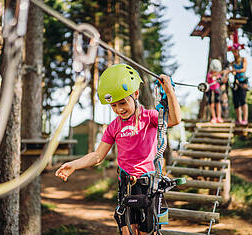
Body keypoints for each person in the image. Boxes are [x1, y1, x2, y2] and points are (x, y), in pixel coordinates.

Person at [55, 64, 181, 235]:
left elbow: (174, 119)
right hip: (127, 186)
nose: (119, 109)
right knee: (127, 231)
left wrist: (170, 91)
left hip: (148, 185)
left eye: (123, 103)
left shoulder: (149, 117)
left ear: (135, 94)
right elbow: (97, 155)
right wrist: (74, 165)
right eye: (113, 106)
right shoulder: (113, 127)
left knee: (146, 232)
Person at [229, 45, 248, 125]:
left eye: (236, 51)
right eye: (233, 51)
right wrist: (232, 71)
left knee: (243, 100)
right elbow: (233, 72)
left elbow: (244, 69)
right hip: (236, 83)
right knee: (236, 101)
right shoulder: (232, 63)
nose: (234, 53)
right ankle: (239, 119)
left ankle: (245, 119)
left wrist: (235, 70)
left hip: (243, 82)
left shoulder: (243, 60)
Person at [206, 59, 225, 123]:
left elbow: (221, 80)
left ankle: (219, 117)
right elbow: (210, 77)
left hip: (217, 89)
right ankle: (214, 117)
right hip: (210, 90)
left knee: (218, 103)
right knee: (211, 104)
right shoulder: (209, 74)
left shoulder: (218, 74)